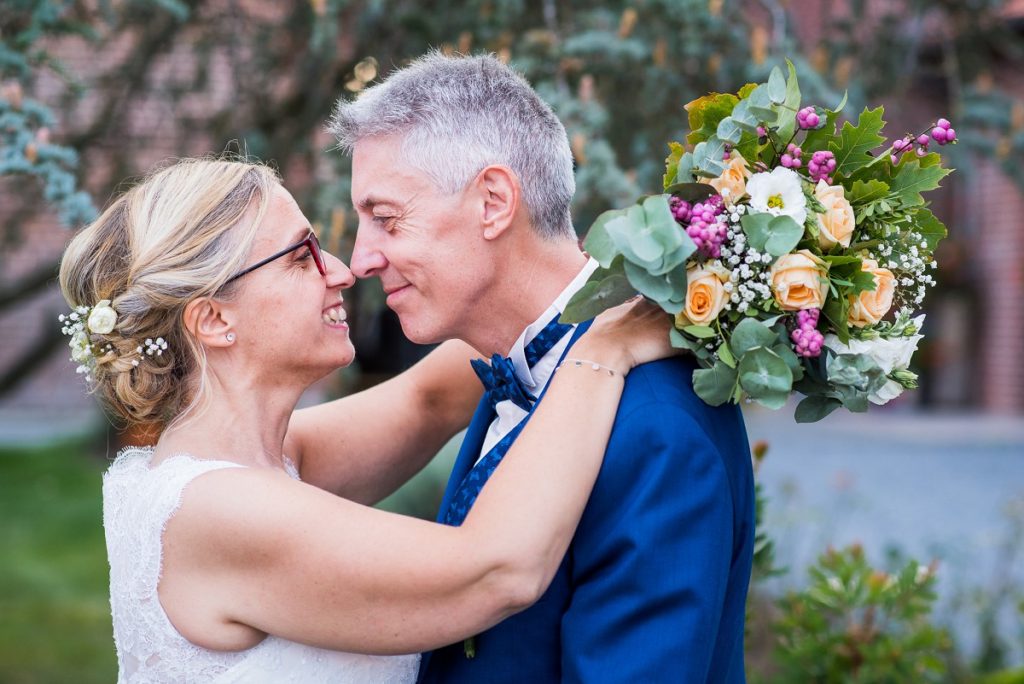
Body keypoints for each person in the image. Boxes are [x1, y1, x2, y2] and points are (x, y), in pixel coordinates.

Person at [57, 157, 674, 683]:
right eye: (300, 257)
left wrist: (695, 241)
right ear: (215, 321)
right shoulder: (217, 512)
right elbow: (498, 570)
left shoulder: (255, 457)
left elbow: (427, 401)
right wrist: (604, 352)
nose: (342, 271)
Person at [330, 52, 756, 683]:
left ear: (493, 203)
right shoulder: (511, 361)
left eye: (387, 219)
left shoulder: (658, 429)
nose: (360, 258)